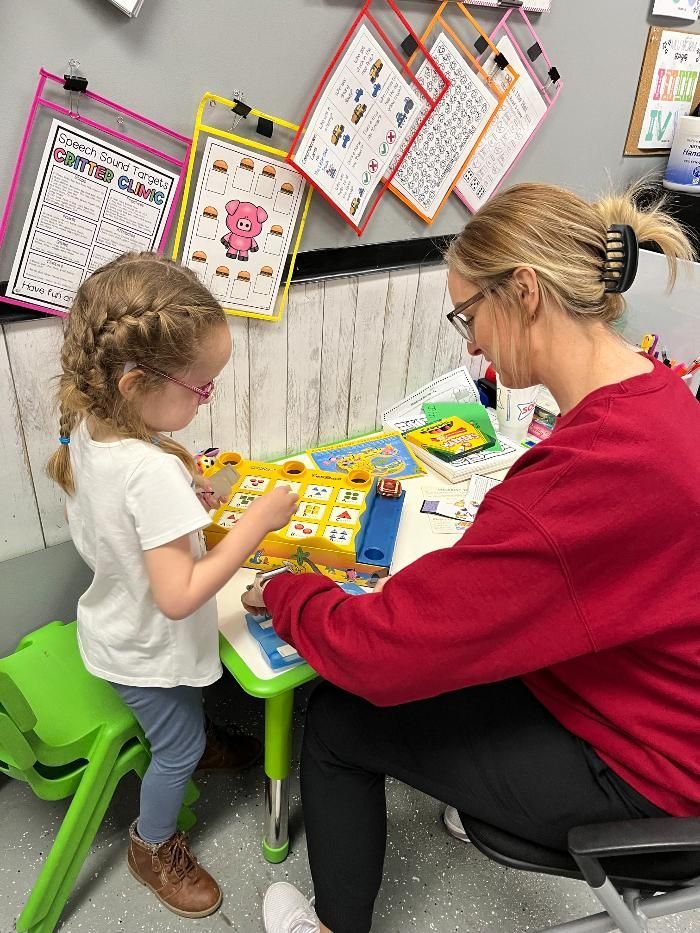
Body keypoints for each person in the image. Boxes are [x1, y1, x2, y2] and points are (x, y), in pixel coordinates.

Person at [241, 182, 700, 933]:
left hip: (650, 775)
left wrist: (291, 591)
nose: (470, 344)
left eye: (469, 314)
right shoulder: (660, 394)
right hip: (658, 704)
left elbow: (378, 656)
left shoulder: (586, 476)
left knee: (336, 717)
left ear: (523, 292)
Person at [47, 253, 297, 919]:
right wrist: (257, 523)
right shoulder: (148, 471)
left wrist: (186, 497)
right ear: (134, 382)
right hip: (143, 645)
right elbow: (181, 594)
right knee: (177, 743)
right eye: (202, 386)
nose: (205, 396)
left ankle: (197, 738)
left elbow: (121, 514)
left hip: (118, 620)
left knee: (187, 705)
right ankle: (151, 843)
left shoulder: (89, 423)